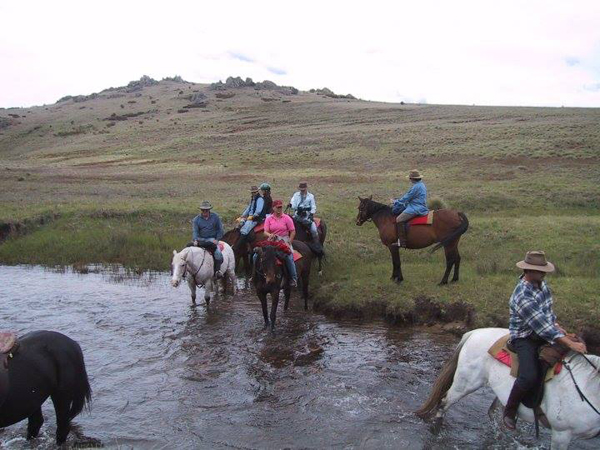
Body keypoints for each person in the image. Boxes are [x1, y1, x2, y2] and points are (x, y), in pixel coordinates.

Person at [503, 251, 587, 430]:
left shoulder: (542, 285)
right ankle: (509, 411)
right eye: (540, 271)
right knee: (528, 376)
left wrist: (557, 325)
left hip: (542, 331)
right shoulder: (522, 295)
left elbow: (547, 313)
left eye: (543, 271)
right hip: (525, 336)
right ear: (528, 271)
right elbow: (541, 327)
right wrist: (570, 343)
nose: (543, 274)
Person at [263, 199, 298, 287]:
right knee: (257, 255)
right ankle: (255, 275)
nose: (279, 209)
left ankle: (294, 278)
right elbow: (265, 232)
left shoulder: (287, 218)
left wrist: (290, 241)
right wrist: (270, 235)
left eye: (281, 207)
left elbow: (293, 231)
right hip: (272, 240)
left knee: (289, 257)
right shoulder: (269, 218)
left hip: (284, 239)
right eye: (278, 207)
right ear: (273, 208)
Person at [391, 169, 428, 248]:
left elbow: (407, 197)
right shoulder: (422, 185)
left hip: (415, 208)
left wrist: (395, 202)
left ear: (412, 179)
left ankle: (402, 242)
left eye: (410, 178)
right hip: (421, 206)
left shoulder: (415, 187)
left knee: (399, 219)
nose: (409, 179)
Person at [191, 201, 225, 278]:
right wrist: (195, 240)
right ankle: (191, 272)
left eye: (206, 210)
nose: (204, 212)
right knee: (191, 252)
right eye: (203, 210)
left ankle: (217, 271)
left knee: (218, 253)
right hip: (201, 240)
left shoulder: (215, 217)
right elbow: (195, 231)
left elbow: (220, 229)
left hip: (212, 239)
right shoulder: (196, 220)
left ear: (209, 210)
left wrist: (217, 239)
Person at [236, 185, 268, 250]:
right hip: (250, 217)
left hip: (256, 219)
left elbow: (258, 211)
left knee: (244, 230)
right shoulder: (253, 199)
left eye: (254, 192)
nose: (253, 194)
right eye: (252, 192)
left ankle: (238, 246)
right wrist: (242, 216)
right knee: (239, 224)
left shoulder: (260, 199)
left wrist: (252, 217)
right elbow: (248, 208)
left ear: (257, 192)